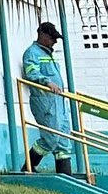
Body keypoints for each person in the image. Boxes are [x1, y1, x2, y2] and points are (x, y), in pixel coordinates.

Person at [22, 20, 74, 175]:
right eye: (52, 38)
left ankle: (66, 177)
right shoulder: (32, 53)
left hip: (58, 102)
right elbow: (32, 73)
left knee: (63, 140)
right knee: (50, 137)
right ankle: (28, 167)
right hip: (45, 102)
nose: (54, 42)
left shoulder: (48, 54)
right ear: (42, 34)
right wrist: (47, 82)